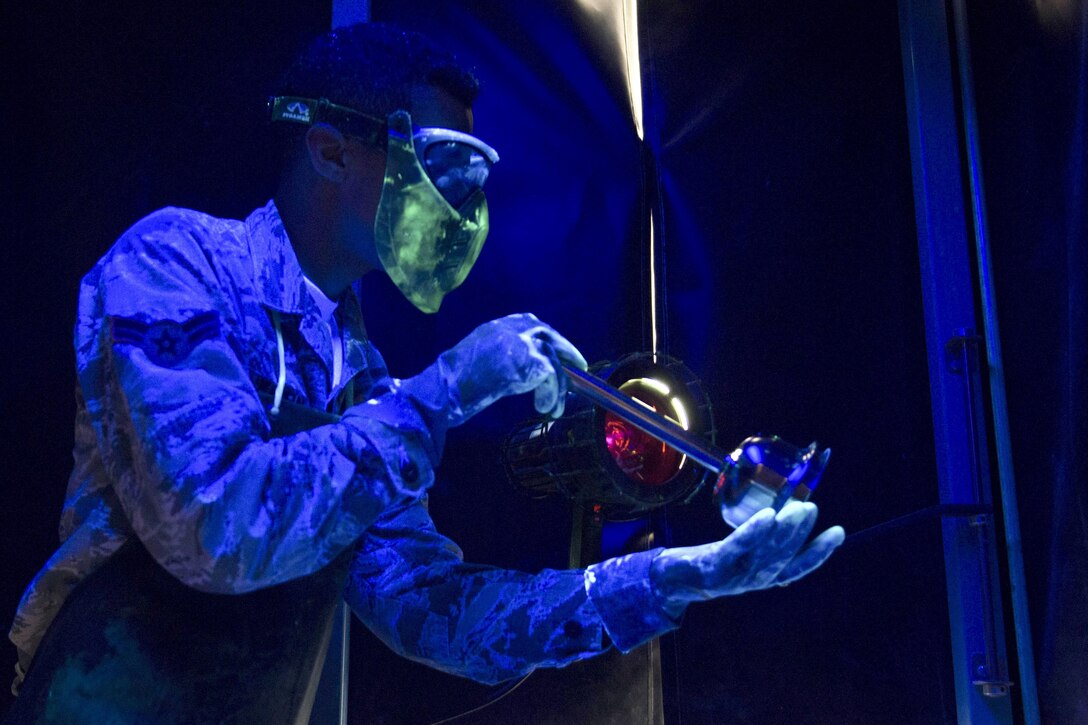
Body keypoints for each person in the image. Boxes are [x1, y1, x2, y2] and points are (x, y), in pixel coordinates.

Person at [4, 23, 844, 724]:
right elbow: (215, 529)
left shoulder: (360, 378)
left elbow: (437, 613)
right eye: (437, 166)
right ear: (330, 149)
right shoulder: (173, 263)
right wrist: (447, 389)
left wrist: (678, 579)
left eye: (471, 179)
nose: (459, 208)